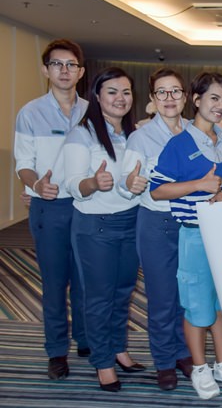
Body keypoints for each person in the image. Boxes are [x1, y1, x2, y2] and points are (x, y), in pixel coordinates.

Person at [149, 72, 222, 399]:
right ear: (196, 100)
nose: (220, 106)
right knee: (197, 307)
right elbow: (157, 190)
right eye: (214, 99)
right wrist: (198, 185)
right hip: (194, 237)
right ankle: (199, 367)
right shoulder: (178, 144)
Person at [13, 38, 89, 380]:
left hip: (87, 207)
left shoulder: (92, 111)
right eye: (57, 64)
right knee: (56, 284)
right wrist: (36, 186)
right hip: (49, 208)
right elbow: (23, 164)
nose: (64, 70)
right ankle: (57, 351)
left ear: (80, 72)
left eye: (71, 64)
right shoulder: (30, 113)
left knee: (87, 280)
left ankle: (86, 338)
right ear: (46, 70)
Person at [63, 67, 143, 392]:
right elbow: (71, 183)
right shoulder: (82, 134)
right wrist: (93, 183)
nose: (120, 98)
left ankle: (118, 348)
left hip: (131, 221)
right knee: (99, 297)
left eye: (126, 92)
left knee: (123, 293)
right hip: (95, 225)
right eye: (112, 91)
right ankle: (103, 361)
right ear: (97, 96)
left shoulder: (133, 134)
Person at [118, 68, 192, 391]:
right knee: (162, 298)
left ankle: (182, 352)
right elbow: (126, 183)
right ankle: (164, 361)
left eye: (175, 91)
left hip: (190, 224)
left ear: (185, 97)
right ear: (152, 99)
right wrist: (130, 183)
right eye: (162, 92)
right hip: (156, 224)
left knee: (185, 297)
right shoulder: (141, 136)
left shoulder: (196, 131)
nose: (169, 98)